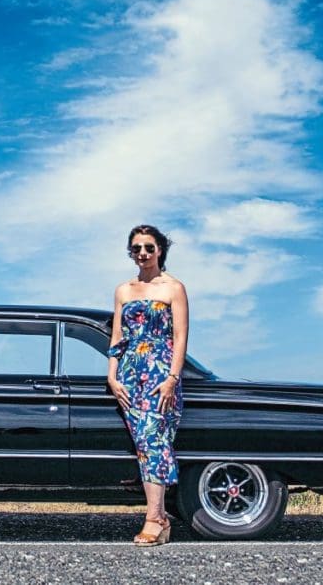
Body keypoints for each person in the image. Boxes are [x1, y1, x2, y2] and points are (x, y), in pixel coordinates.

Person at [107, 223, 188, 546]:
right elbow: (117, 338)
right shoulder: (123, 290)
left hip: (159, 373)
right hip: (129, 374)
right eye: (136, 248)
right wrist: (111, 376)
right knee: (143, 443)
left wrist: (172, 378)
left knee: (154, 439)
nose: (142, 254)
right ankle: (160, 518)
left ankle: (155, 518)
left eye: (149, 248)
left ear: (160, 250)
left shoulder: (174, 288)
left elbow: (180, 337)